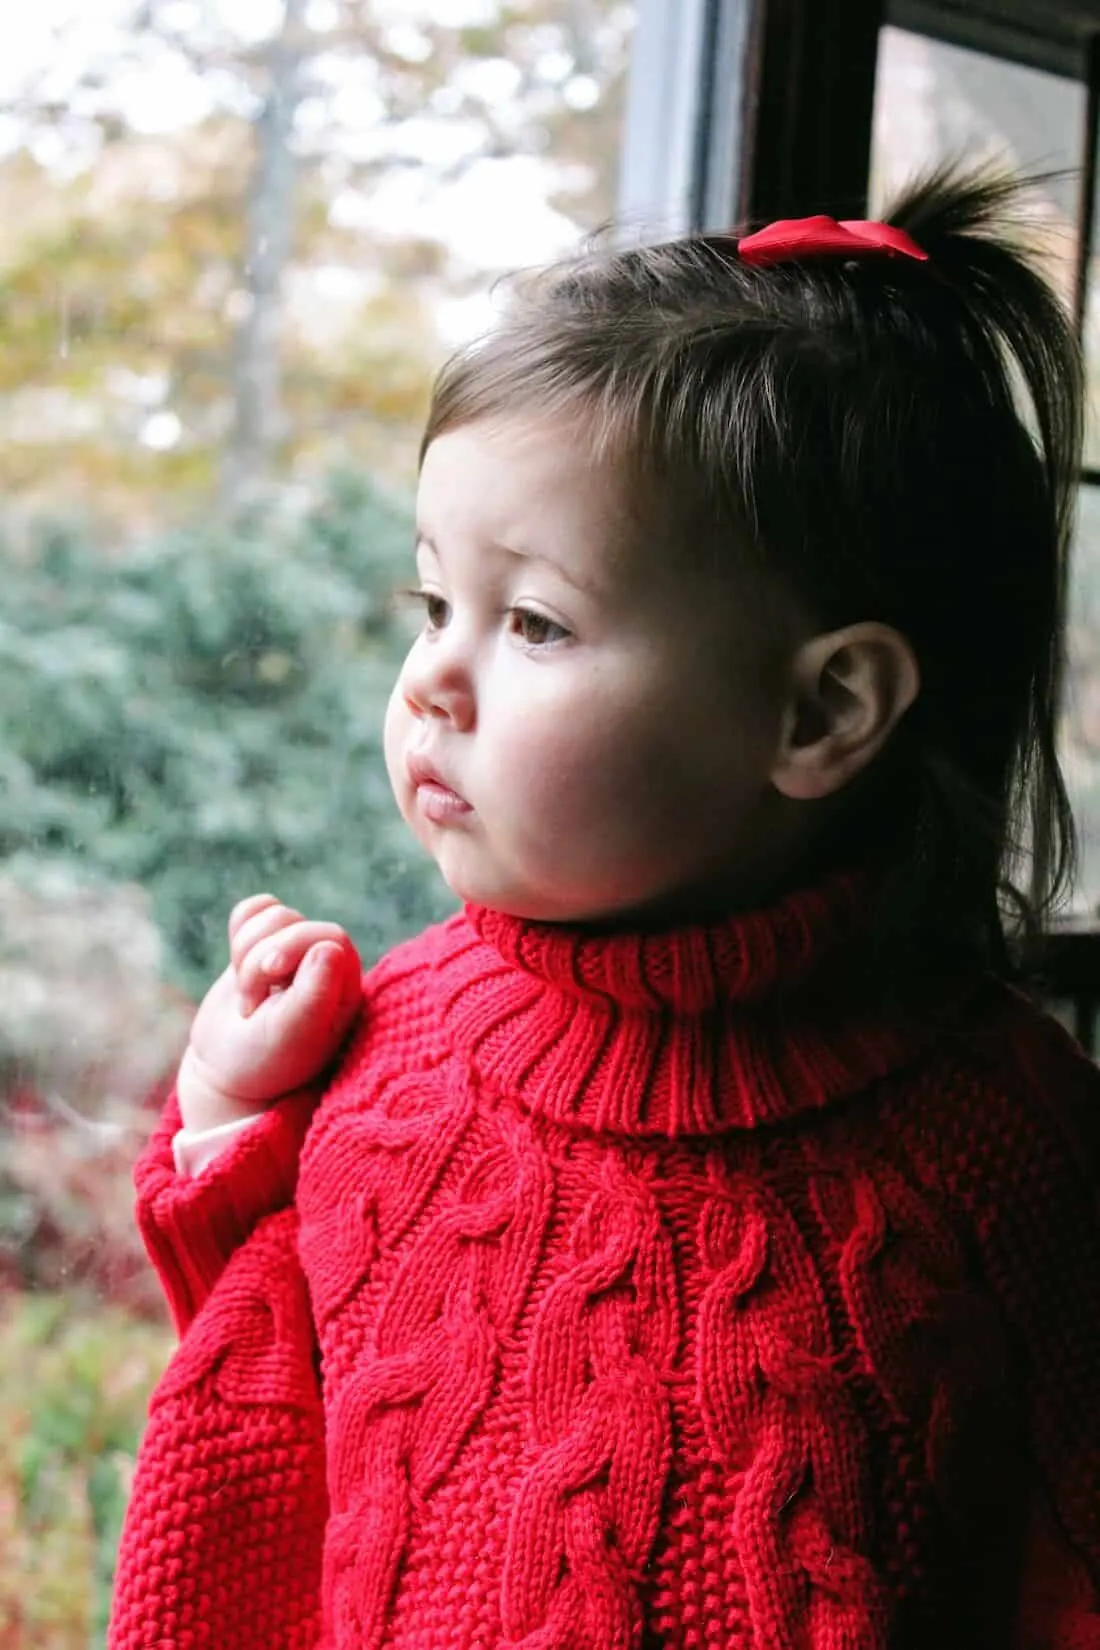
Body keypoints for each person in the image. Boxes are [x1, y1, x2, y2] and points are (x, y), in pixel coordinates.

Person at [109, 168, 1100, 1650]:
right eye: (431, 603)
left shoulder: (1013, 1143)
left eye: (535, 622)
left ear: (825, 709)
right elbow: (276, 1424)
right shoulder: (386, 1055)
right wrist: (230, 1125)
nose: (432, 680)